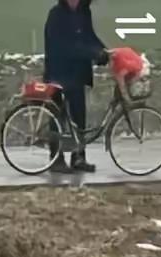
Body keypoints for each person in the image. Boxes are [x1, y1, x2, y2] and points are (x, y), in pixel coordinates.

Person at [43, 0, 110, 174]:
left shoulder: (84, 12)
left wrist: (105, 52)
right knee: (58, 119)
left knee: (79, 118)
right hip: (58, 74)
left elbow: (89, 36)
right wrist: (93, 53)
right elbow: (65, 46)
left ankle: (78, 157)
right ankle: (56, 160)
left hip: (78, 74)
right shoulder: (56, 15)